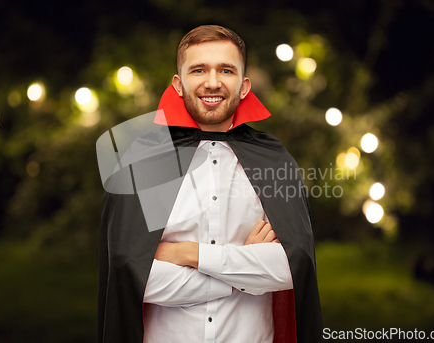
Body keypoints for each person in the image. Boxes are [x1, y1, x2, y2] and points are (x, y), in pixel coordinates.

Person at [97, 25, 323, 343]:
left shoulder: (273, 160)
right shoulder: (146, 160)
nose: (213, 82)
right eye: (199, 69)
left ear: (244, 86)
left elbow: (290, 269)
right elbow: (134, 277)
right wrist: (243, 271)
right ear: (178, 83)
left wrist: (188, 254)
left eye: (226, 70)